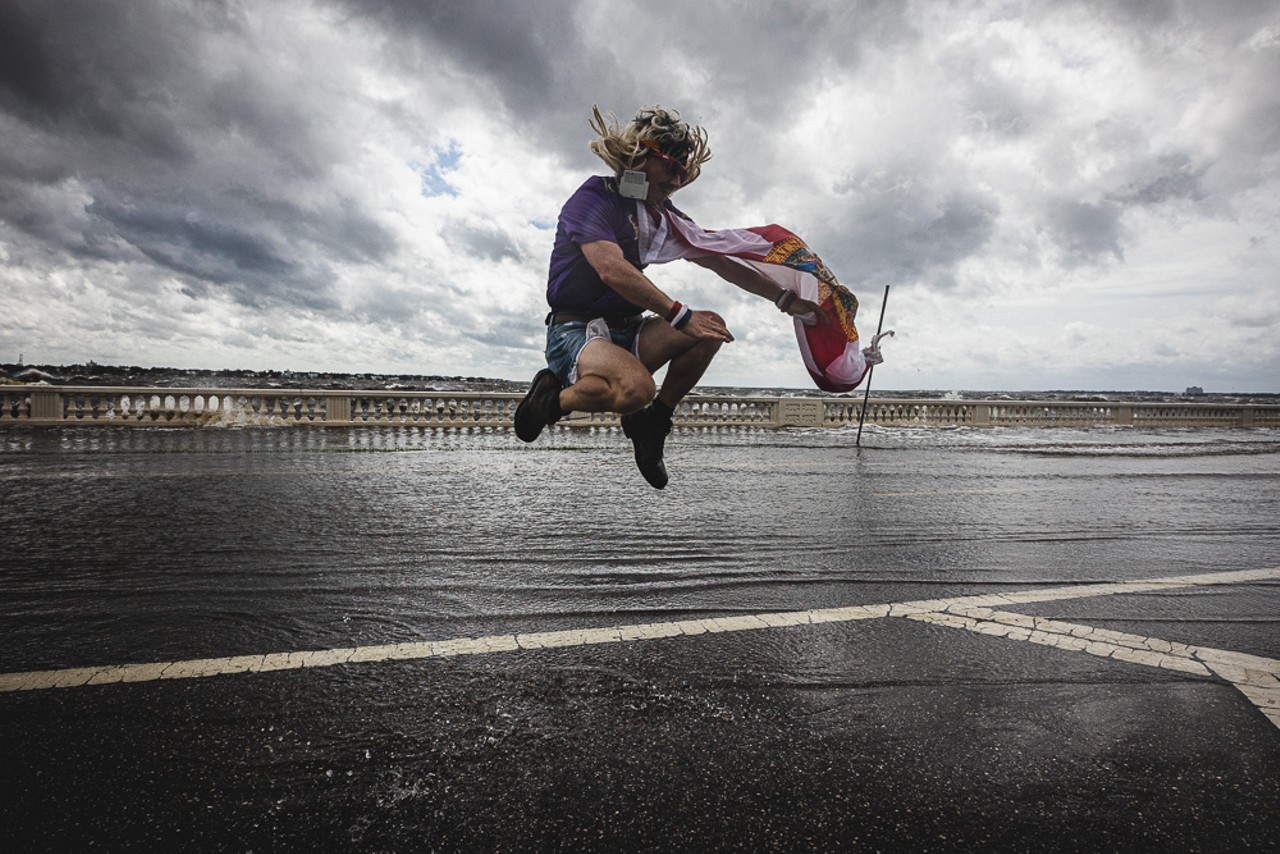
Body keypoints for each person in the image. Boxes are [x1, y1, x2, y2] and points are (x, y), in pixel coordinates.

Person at [515, 105, 827, 489]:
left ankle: (653, 423)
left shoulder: (662, 214)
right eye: (670, 166)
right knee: (636, 388)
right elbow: (610, 269)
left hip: (629, 330)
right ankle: (548, 401)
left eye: (684, 170)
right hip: (575, 331)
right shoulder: (594, 197)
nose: (678, 178)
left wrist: (784, 299)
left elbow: (719, 261)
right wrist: (678, 314)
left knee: (708, 330)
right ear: (638, 155)